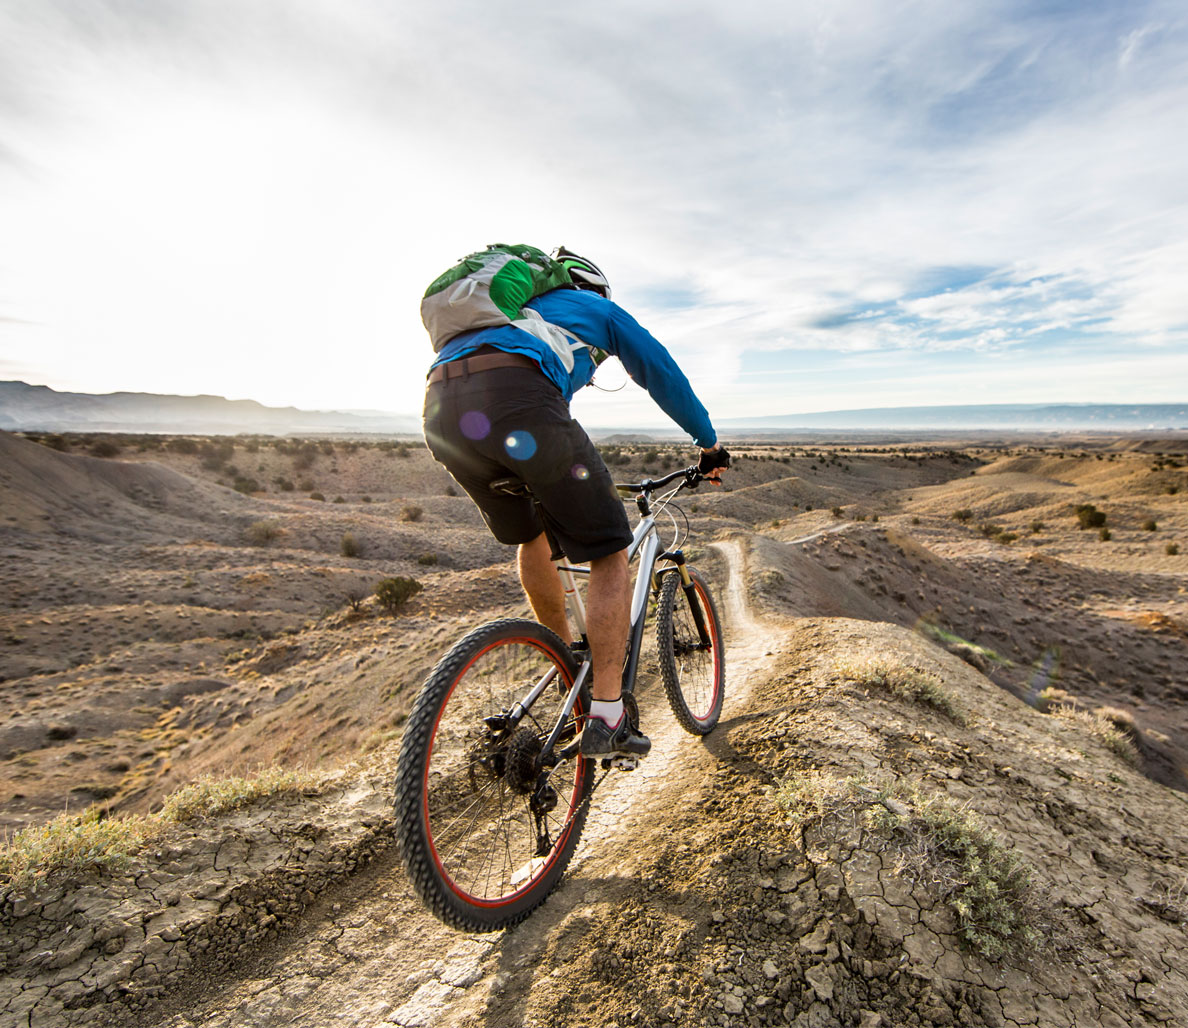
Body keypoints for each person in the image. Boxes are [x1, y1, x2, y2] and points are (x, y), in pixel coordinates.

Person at [422, 247, 730, 763]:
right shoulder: (595, 310)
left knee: (534, 537)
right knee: (610, 552)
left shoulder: (515, 316)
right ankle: (608, 716)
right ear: (594, 289)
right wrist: (708, 443)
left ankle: (563, 660)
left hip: (439, 409)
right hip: (517, 398)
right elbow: (660, 371)